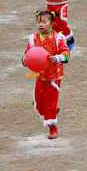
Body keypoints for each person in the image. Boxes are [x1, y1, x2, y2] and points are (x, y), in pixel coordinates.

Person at [22, 10, 70, 139]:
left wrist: (58, 58)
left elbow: (66, 53)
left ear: (52, 23)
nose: (41, 25)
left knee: (49, 104)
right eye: (39, 22)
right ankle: (53, 111)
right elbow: (27, 53)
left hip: (54, 77)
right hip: (40, 76)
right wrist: (25, 60)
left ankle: (53, 129)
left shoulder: (58, 38)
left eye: (44, 22)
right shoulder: (33, 39)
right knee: (38, 104)